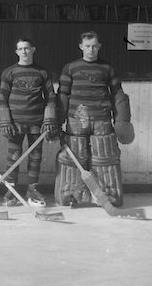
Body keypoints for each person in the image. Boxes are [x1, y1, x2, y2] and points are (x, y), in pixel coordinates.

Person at [54, 31, 134, 207]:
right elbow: (63, 95)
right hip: (76, 119)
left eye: (94, 46)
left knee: (105, 156)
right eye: (87, 46)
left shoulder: (107, 68)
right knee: (74, 157)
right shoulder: (70, 68)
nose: (91, 49)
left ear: (99, 47)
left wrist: (122, 121)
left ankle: (107, 194)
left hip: (102, 119)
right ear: (81, 46)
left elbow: (118, 94)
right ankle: (72, 193)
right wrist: (57, 120)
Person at [0, 38, 58, 207]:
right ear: (16, 52)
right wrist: (5, 121)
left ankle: (32, 189)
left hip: (37, 123)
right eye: (20, 49)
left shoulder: (42, 72)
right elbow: (2, 97)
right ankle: (11, 190)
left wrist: (49, 119)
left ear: (33, 49)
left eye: (26, 48)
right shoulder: (9, 72)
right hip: (15, 124)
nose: (24, 51)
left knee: (35, 157)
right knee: (14, 157)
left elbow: (51, 97)